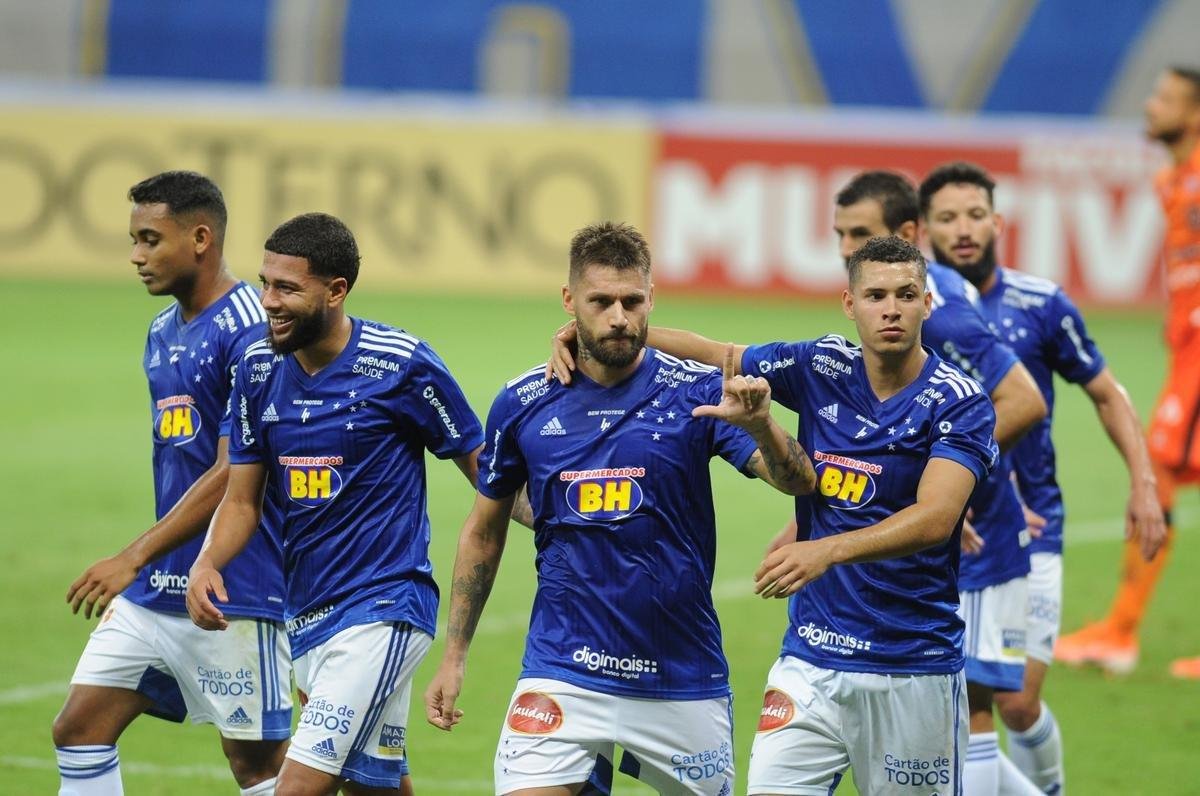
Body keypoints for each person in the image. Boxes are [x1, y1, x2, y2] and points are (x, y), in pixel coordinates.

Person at [560, 235, 997, 793]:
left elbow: (936, 518)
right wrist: (591, 339)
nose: (891, 308)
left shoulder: (959, 401)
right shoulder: (821, 364)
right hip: (810, 662)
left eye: (907, 294)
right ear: (850, 303)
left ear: (927, 303)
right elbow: (717, 353)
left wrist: (828, 549)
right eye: (876, 295)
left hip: (912, 667)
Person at [424, 221, 816, 795]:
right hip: (562, 671)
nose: (618, 317)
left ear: (651, 300)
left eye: (632, 301)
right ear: (569, 302)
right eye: (600, 301)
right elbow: (484, 529)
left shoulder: (699, 392)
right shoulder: (522, 402)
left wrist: (762, 425)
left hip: (680, 675)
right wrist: (454, 655)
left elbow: (797, 482)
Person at [187, 212, 484, 795]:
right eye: (265, 282)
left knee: (297, 786)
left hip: (385, 607)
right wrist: (207, 561)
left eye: (288, 289)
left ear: (336, 291)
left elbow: (488, 476)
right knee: (371, 786)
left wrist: (568, 521)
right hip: (308, 616)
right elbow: (243, 500)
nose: (268, 301)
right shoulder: (255, 366)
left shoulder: (403, 364)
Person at [920, 160, 1167, 793]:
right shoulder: (916, 311)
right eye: (947, 218)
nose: (964, 229)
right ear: (924, 230)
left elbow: (1107, 393)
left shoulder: (1040, 303)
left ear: (998, 221)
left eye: (975, 214)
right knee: (961, 704)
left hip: (1032, 531)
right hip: (947, 528)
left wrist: (1143, 483)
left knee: (1017, 704)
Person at [52, 171, 291, 796]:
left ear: (201, 238)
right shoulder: (162, 332)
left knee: (259, 769)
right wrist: (150, 562)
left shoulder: (250, 329)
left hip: (234, 585)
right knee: (78, 729)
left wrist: (133, 554)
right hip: (158, 590)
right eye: (134, 240)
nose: (136, 256)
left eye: (150, 240)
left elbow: (233, 470)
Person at [1056, 65, 1200, 680]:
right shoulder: (1175, 180)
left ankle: (1120, 631)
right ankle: (1119, 629)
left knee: (1159, 473)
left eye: (1163, 98)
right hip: (1186, 352)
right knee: (1161, 476)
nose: (1149, 106)